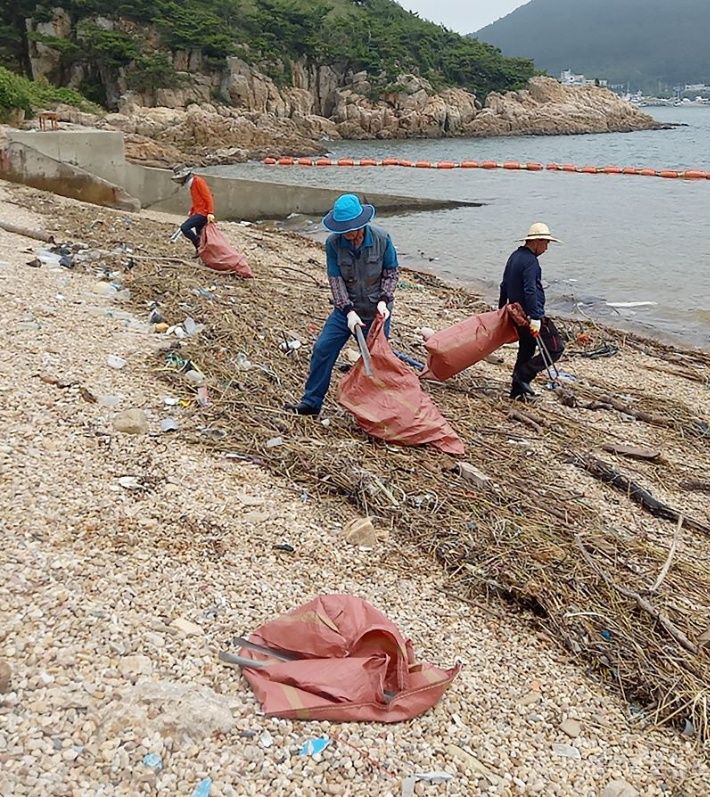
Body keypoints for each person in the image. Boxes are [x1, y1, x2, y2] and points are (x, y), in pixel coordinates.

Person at [286, 194, 399, 416]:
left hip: (377, 310)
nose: (347, 234)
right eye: (342, 230)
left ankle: (378, 412)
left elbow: (391, 272)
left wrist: (385, 300)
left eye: (351, 229)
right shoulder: (333, 244)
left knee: (375, 361)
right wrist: (347, 311)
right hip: (346, 310)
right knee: (323, 349)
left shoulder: (382, 239)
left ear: (362, 224)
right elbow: (335, 280)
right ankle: (311, 403)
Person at [499, 222, 565, 400]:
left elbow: (504, 284)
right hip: (529, 314)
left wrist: (501, 309)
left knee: (527, 349)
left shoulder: (515, 256)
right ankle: (523, 376)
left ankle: (517, 392)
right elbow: (530, 290)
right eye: (546, 243)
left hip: (516, 312)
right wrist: (535, 317)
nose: (546, 248)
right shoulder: (530, 261)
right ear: (537, 241)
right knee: (556, 347)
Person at [170, 167, 215, 255]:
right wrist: (192, 209)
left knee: (185, 227)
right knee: (200, 233)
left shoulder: (198, 181)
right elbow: (197, 200)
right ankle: (201, 251)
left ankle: (198, 244)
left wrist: (210, 212)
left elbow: (208, 197)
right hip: (198, 211)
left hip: (203, 213)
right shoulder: (192, 185)